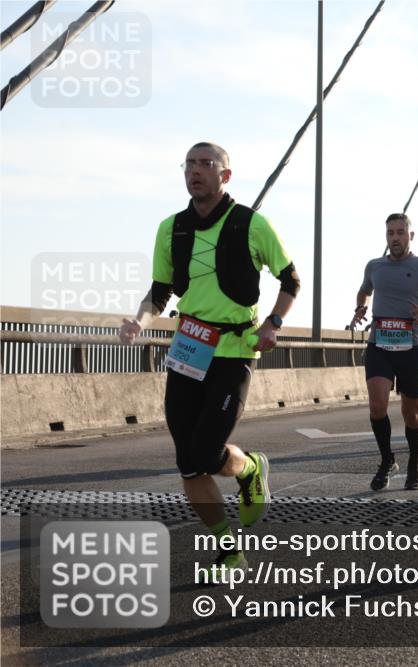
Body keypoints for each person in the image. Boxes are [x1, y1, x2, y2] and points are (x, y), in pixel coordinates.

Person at [119, 142, 299, 581]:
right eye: (190, 165)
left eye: (206, 164)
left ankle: (251, 467)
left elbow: (290, 278)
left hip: (234, 350)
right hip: (187, 351)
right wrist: (141, 321)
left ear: (225, 175)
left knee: (205, 449)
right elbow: (161, 290)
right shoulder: (171, 228)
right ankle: (228, 549)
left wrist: (273, 323)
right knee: (188, 461)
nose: (196, 171)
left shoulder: (251, 224)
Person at [351, 213, 418, 492]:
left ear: (410, 235)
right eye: (390, 233)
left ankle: (414, 464)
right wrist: (360, 307)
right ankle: (387, 461)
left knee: (411, 413)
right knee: (377, 405)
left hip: (410, 346)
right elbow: (364, 291)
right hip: (379, 344)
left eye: (400, 232)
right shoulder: (374, 266)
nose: (395, 238)